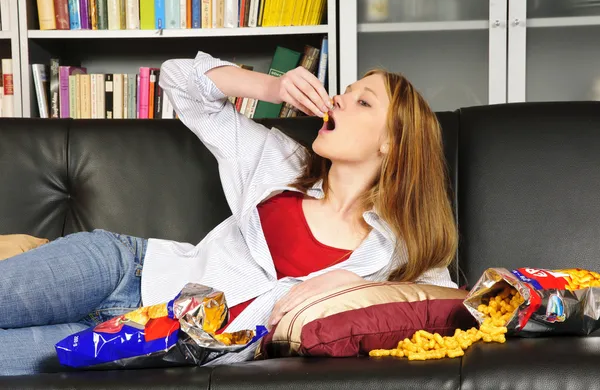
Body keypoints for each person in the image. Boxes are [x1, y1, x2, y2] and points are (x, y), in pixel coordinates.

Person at [0, 51, 458, 376]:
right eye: (347, 91)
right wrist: (272, 86)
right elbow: (179, 79)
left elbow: (454, 304)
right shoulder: (280, 162)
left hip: (145, 348)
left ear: (391, 142)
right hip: (123, 269)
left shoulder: (399, 249)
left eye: (363, 101)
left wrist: (358, 284)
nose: (338, 98)